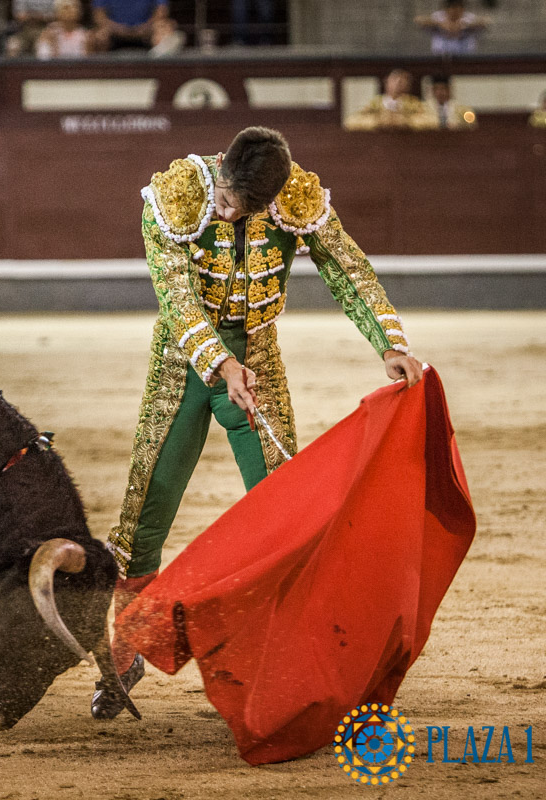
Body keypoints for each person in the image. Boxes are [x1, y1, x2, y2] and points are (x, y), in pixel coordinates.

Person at [91, 126, 422, 719]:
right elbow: (177, 297)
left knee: (284, 512)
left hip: (260, 361)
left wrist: (390, 342)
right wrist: (220, 361)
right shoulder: (176, 195)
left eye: (235, 207)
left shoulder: (295, 197)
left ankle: (286, 658)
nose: (221, 209)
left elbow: (346, 266)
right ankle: (125, 650)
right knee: (145, 510)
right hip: (183, 366)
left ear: (270, 203)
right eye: (222, 197)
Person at [343, 69, 436, 131]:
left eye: (403, 79)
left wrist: (406, 121)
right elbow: (350, 122)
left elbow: (433, 122)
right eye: (395, 79)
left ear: (408, 85)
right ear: (386, 82)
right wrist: (378, 121)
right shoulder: (375, 103)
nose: (399, 82)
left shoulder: (415, 104)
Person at [90, 0, 177, 53]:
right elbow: (99, 15)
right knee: (100, 35)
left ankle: (160, 69)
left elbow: (161, 11)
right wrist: (118, 29)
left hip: (146, 31)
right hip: (114, 31)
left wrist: (144, 27)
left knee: (165, 28)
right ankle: (101, 72)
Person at [415, 0, 487, 56]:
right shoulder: (439, 16)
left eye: (459, 9)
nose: (456, 12)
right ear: (446, 9)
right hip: (441, 56)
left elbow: (485, 21)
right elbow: (418, 20)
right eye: (453, 8)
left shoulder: (468, 17)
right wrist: (440, 24)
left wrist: (464, 25)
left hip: (465, 56)